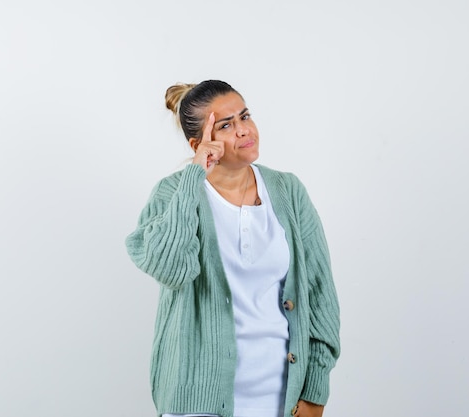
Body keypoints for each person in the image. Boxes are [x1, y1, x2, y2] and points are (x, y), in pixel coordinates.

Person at [125, 80, 340, 417]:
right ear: (199, 144)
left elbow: (320, 293)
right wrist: (194, 175)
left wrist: (314, 391)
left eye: (245, 116)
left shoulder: (288, 191)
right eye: (225, 125)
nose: (243, 130)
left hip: (282, 399)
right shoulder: (172, 194)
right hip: (197, 400)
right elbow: (170, 269)